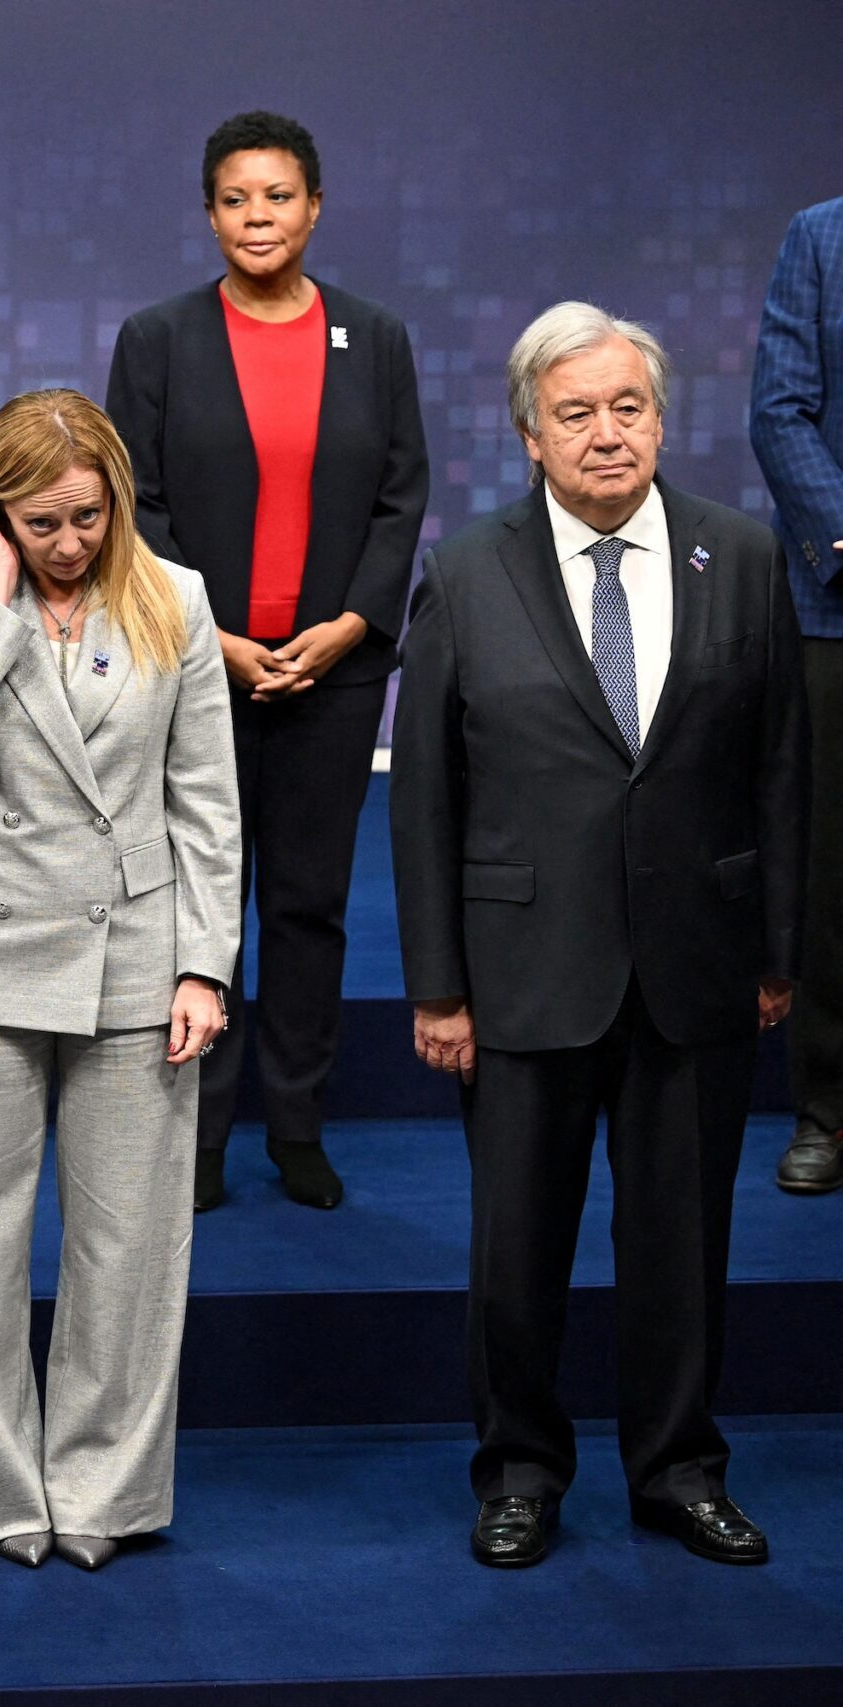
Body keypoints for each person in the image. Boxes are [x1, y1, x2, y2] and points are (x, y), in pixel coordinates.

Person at [393, 303, 805, 1569]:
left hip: (696, 967)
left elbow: (782, 767)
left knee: (681, 1246)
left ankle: (679, 1467)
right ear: (530, 435)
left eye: (628, 408)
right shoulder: (466, 572)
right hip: (522, 974)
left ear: (662, 420)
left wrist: (778, 954)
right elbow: (423, 797)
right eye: (576, 413)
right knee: (517, 1247)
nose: (607, 434)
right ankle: (518, 1469)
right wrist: (437, 989)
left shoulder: (738, 555)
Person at [0, 389, 240, 1572]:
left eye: (88, 516)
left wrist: (203, 965)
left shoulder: (173, 599)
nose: (70, 543)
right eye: (39, 522)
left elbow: (205, 800)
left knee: (128, 1248)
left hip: (135, 954)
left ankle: (104, 1495)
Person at [105, 110, 429, 1213]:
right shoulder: (156, 340)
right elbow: (131, 508)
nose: (258, 217)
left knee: (306, 904)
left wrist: (348, 627)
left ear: (315, 208)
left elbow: (400, 498)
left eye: (278, 197)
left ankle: (296, 1125)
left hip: (334, 673)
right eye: (236, 200)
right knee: (199, 906)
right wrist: (217, 641)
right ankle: (190, 1140)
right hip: (200, 669)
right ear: (208, 215)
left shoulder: (373, 339)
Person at [749, 194, 843, 1194]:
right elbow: (779, 409)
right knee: (828, 882)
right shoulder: (819, 236)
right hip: (836, 610)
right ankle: (827, 1109)